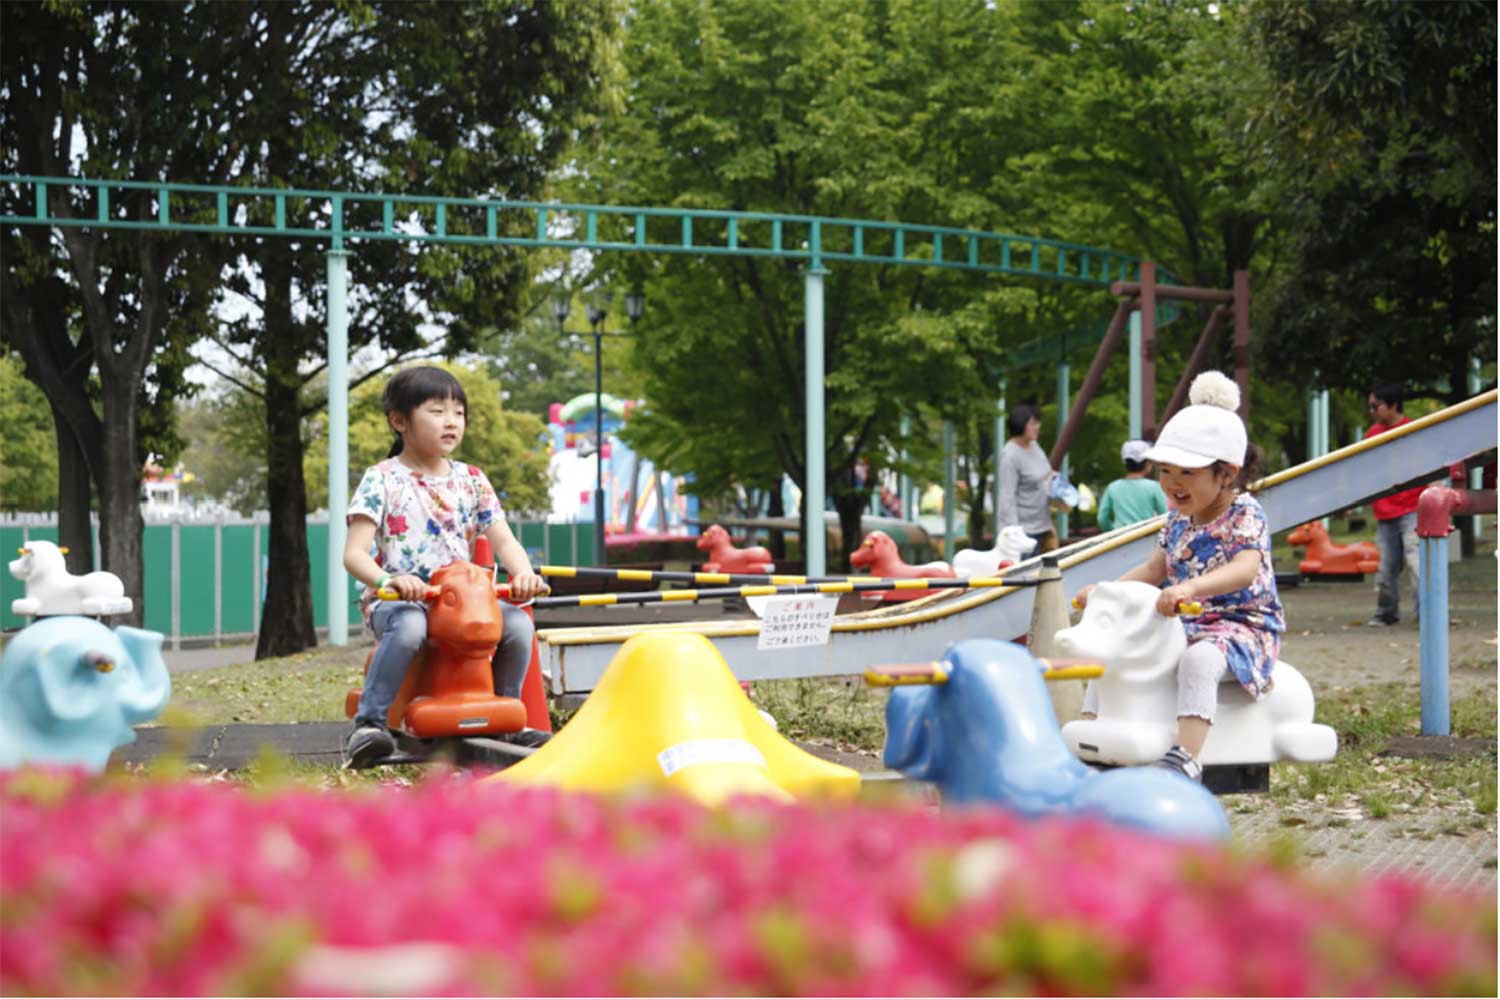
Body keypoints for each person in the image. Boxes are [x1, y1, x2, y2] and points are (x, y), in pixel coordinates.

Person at [1073, 371, 1283, 782]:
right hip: (1187, 620)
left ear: (1226, 473)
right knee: (1116, 649)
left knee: (1200, 660)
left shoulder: (1244, 513)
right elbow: (1155, 569)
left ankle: (1186, 755)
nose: (1172, 484)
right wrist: (1109, 593)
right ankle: (1091, 734)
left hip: (1240, 626)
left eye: (1187, 473)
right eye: (1165, 472)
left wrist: (1190, 587)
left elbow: (1245, 569)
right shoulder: (1176, 521)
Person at [341, 366, 550, 768]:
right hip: (401, 600)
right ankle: (370, 724)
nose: (451, 421)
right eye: (437, 411)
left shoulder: (472, 480)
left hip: (464, 600)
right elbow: (354, 554)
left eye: (458, 412)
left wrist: (523, 574)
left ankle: (503, 715)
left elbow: (504, 539)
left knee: (518, 624)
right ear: (399, 421)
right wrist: (390, 580)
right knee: (410, 627)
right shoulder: (382, 479)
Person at [1364, 382, 1422, 626]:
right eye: (1370, 407)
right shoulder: (1372, 435)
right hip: (1385, 511)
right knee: (1387, 567)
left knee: (1417, 564)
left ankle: (1427, 614)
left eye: (1376, 406)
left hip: (1412, 508)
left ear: (1393, 405)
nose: (1372, 411)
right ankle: (1386, 612)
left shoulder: (1413, 431)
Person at [997, 403, 1058, 553]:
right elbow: (1007, 496)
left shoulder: (1035, 446)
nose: (1037, 427)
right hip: (1024, 533)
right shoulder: (1010, 456)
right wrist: (1014, 535)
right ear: (1020, 425)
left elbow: (1044, 474)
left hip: (1043, 527)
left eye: (1037, 423)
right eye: (1032, 423)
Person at [1096, 439, 1169, 531]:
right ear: (1147, 463)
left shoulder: (1112, 487)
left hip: (1120, 539)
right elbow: (1165, 516)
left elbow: (1102, 519)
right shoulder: (1154, 487)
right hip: (1146, 539)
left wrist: (1113, 531)